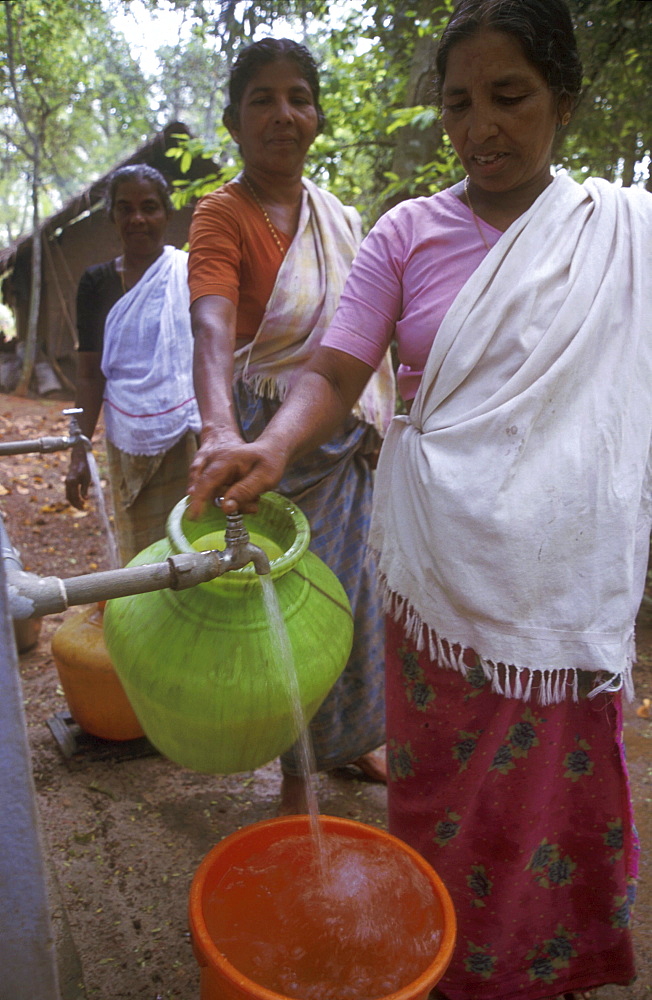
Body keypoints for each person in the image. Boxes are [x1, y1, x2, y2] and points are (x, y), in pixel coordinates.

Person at [186, 1, 652, 997]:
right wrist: (267, 441)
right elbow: (334, 369)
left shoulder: (620, 233)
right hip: (441, 573)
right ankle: (445, 963)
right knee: (449, 793)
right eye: (457, 103)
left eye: (507, 97)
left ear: (563, 102)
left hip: (561, 585)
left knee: (556, 797)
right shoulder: (407, 233)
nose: (479, 124)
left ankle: (551, 967)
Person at [186, 37, 396, 815]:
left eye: (299, 97)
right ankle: (297, 774)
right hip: (265, 446)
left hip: (339, 442)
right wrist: (217, 430)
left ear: (316, 115)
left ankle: (348, 740)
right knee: (289, 609)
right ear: (234, 122)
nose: (284, 114)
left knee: (354, 599)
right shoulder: (222, 214)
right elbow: (210, 330)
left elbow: (371, 340)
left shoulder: (342, 221)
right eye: (262, 100)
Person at [65, 164, 201, 566]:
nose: (137, 218)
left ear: (167, 214)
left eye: (149, 207)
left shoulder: (188, 272)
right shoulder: (96, 283)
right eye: (125, 209)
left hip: (188, 434)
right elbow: (91, 374)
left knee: (191, 546)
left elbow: (209, 357)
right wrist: (77, 452)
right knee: (140, 558)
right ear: (112, 217)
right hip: (127, 438)